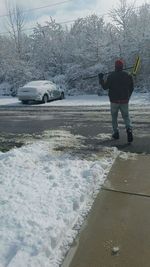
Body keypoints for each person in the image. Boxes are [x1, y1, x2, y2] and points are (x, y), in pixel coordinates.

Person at [99, 59, 134, 143]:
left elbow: (105, 87)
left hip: (114, 101)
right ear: (122, 67)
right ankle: (129, 129)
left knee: (114, 117)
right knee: (126, 117)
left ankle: (116, 133)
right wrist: (128, 96)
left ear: (115, 67)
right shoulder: (128, 75)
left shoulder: (111, 76)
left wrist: (101, 79)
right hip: (124, 100)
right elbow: (132, 87)